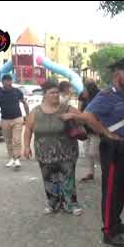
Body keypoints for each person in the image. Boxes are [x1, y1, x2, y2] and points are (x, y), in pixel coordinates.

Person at [63, 56, 124, 247]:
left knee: (121, 188)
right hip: (113, 150)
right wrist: (106, 133)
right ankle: (108, 231)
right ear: (117, 75)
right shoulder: (107, 95)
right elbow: (87, 116)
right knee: (111, 190)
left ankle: (116, 221)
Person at [23, 79, 83, 216]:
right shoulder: (36, 112)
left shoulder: (66, 108)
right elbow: (28, 130)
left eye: (57, 92)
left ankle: (71, 204)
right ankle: (53, 203)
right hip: (44, 154)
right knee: (49, 179)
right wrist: (26, 146)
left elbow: (85, 118)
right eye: (52, 93)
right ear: (45, 94)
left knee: (68, 180)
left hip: (66, 153)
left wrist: (73, 116)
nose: (56, 95)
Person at [0, 74, 29, 169]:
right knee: (8, 140)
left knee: (16, 140)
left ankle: (17, 159)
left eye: (10, 81)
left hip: (17, 118)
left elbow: (24, 103)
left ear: (11, 81)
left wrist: (28, 116)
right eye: (6, 82)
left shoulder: (17, 92)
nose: (8, 84)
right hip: (5, 120)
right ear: (2, 82)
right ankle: (11, 158)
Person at [78, 80, 100, 182]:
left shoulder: (98, 97)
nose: (83, 91)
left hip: (95, 128)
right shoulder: (82, 96)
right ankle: (90, 172)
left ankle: (108, 165)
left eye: (85, 89)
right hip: (86, 128)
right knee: (87, 151)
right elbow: (80, 109)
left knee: (93, 152)